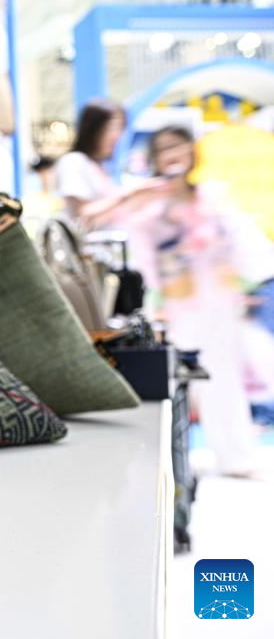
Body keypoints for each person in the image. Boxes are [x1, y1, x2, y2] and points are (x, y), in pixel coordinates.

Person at [134, 125, 274, 477]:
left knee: (225, 380)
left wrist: (253, 282)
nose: (173, 155)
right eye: (164, 148)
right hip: (179, 309)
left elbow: (242, 242)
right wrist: (153, 306)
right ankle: (171, 462)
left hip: (220, 302)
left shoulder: (212, 196)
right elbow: (144, 263)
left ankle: (236, 457)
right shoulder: (150, 209)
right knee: (183, 385)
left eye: (179, 146)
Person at [55, 99, 167, 229]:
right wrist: (132, 193)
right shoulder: (74, 161)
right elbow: (83, 215)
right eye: (112, 127)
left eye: (121, 128)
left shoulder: (98, 166)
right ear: (93, 127)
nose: (117, 135)